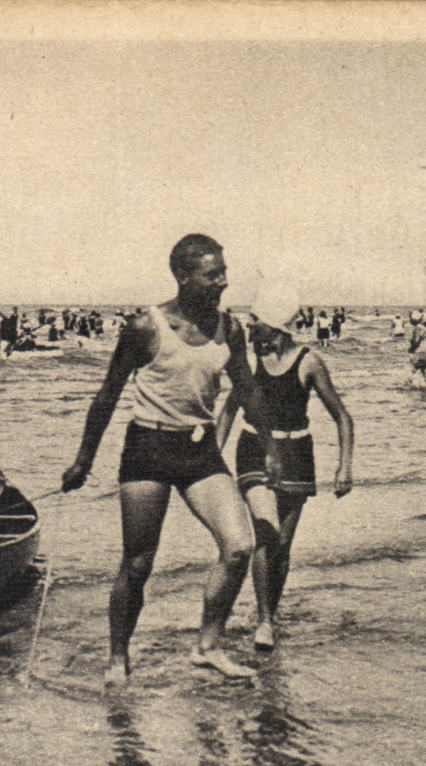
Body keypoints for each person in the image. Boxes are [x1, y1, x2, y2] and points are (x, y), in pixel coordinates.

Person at [60, 233, 281, 685]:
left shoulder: (230, 329)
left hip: (199, 450)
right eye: (212, 274)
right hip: (148, 448)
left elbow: (247, 389)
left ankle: (208, 647)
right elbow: (107, 395)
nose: (223, 282)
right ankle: (118, 658)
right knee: (138, 564)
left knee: (239, 546)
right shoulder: (146, 327)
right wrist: (84, 460)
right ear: (182, 276)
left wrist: (271, 445)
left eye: (224, 272)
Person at [216, 286, 354, 653]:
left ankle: (269, 613)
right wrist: (211, 459)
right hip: (254, 449)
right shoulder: (249, 362)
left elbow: (342, 417)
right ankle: (264, 621)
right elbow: (228, 412)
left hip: (297, 453)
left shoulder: (309, 362)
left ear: (275, 326)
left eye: (256, 322)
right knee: (267, 532)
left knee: (282, 546)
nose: (249, 327)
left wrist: (344, 467)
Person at [407, 313, 426, 386]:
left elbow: (416, 341)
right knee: (424, 371)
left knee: (413, 369)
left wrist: (410, 348)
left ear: (413, 320)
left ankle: (411, 386)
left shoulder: (417, 328)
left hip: (421, 351)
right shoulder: (424, 328)